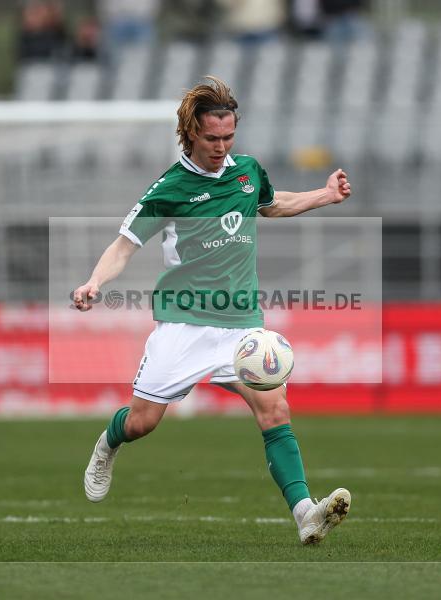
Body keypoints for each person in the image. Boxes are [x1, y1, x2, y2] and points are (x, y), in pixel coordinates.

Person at [75, 76, 353, 545]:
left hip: (241, 324)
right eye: (212, 138)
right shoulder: (169, 187)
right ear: (190, 133)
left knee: (275, 410)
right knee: (142, 423)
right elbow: (124, 246)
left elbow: (271, 204)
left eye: (228, 137)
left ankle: (306, 512)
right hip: (183, 324)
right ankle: (107, 444)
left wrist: (324, 195)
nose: (222, 147)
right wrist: (95, 282)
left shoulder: (247, 170)